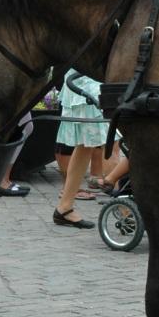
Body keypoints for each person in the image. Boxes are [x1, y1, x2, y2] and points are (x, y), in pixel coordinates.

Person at [53, 70, 109, 229]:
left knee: (86, 145)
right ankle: (127, 212)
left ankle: (64, 206)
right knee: (112, 142)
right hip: (89, 83)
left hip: (89, 80)